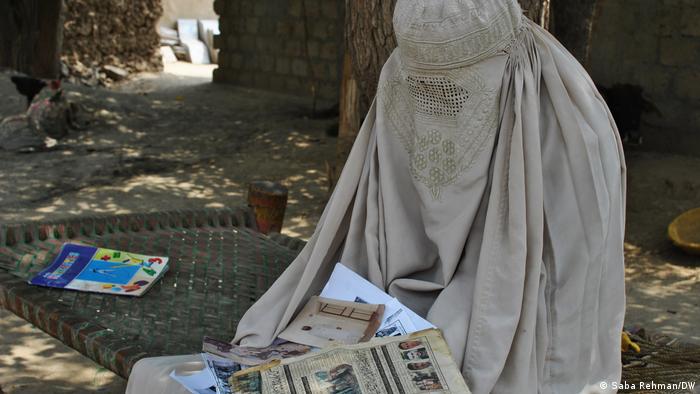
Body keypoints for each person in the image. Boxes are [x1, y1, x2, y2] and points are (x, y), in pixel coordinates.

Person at [127, 0, 625, 393]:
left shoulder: (569, 139)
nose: (436, 109)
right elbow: (378, 247)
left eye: (453, 93)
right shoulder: (399, 89)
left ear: (509, 69)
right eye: (424, 93)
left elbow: (562, 313)